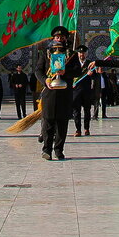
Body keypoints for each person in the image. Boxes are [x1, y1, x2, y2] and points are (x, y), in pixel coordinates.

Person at [35, 26, 82, 160]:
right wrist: (46, 80)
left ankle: (59, 150)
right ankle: (47, 150)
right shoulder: (47, 53)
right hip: (49, 92)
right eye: (57, 37)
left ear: (66, 38)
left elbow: (78, 71)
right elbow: (38, 70)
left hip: (64, 92)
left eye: (62, 37)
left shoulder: (71, 55)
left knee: (62, 123)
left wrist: (65, 72)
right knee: (48, 122)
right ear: (53, 38)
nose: (59, 39)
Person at [72, 48, 97, 136]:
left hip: (86, 90)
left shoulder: (90, 63)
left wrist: (92, 74)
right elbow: (70, 74)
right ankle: (78, 129)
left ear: (86, 54)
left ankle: (86, 128)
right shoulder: (73, 63)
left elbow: (96, 77)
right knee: (76, 111)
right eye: (80, 53)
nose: (81, 55)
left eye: (83, 53)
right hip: (76, 90)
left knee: (87, 110)